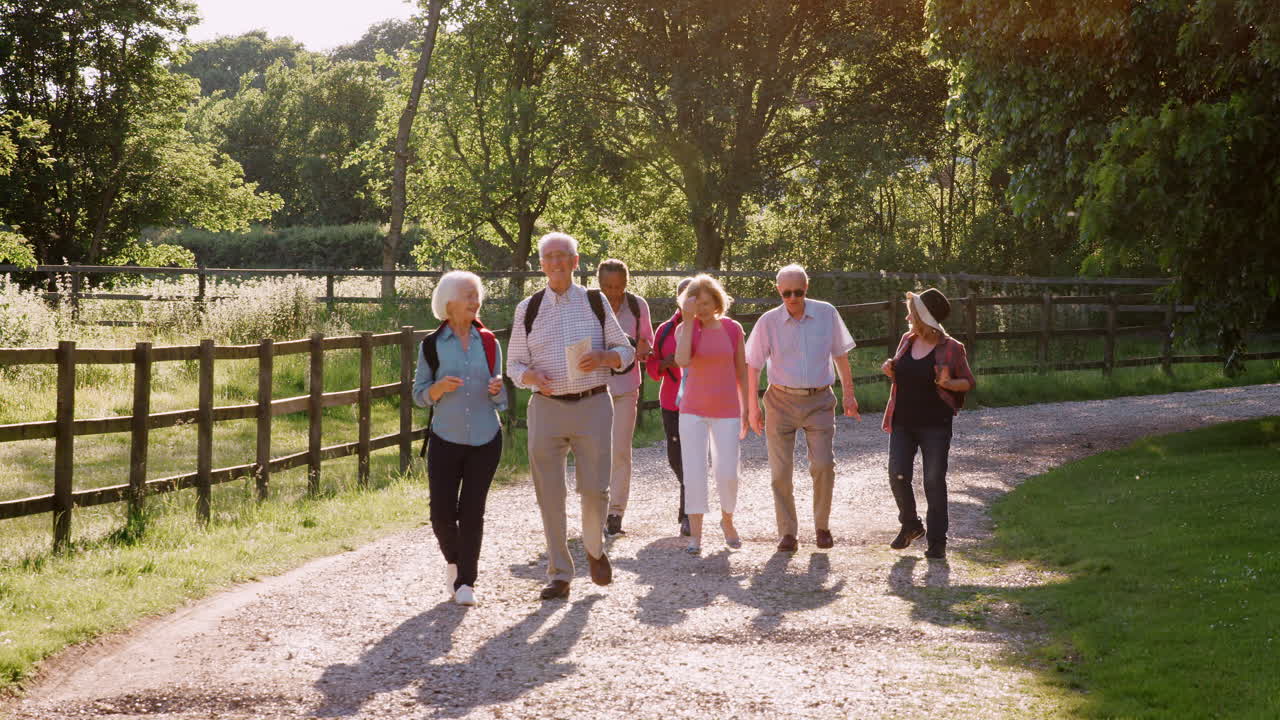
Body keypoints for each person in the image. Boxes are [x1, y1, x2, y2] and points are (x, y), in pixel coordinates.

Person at [507, 232, 636, 600]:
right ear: (541, 264)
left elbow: (624, 351)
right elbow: (514, 364)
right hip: (546, 408)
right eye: (549, 257)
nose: (556, 263)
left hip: (593, 404)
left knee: (595, 490)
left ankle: (595, 549)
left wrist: (605, 358)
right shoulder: (527, 309)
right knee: (549, 493)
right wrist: (530, 377)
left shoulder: (595, 302)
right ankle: (560, 573)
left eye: (563, 256)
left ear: (575, 262)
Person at [746, 264, 860, 552]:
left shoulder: (826, 313)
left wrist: (849, 396)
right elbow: (753, 366)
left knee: (823, 465)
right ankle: (787, 533)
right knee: (780, 472)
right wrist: (752, 407)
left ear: (806, 289)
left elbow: (841, 357)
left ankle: (822, 527)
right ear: (778, 291)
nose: (793, 298)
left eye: (798, 292)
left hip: (819, 399)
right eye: (786, 293)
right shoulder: (768, 321)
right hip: (780, 400)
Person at [412, 271, 507, 607]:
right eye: (468, 295)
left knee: (472, 511)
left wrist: (498, 390)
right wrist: (437, 389)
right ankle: (454, 562)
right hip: (445, 438)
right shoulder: (431, 345)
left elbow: (503, 397)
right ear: (449, 302)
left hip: (486, 437)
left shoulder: (490, 342)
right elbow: (419, 394)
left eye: (476, 295)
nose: (474, 301)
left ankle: (467, 581)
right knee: (440, 513)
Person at [880, 287, 976, 560]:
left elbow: (968, 382)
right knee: (897, 474)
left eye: (913, 311)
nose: (908, 316)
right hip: (902, 421)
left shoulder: (952, 349)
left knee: (933, 481)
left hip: (936, 424)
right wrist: (890, 367)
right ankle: (910, 525)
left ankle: (937, 542)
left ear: (925, 316)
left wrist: (948, 383)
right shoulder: (906, 341)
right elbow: (900, 371)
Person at [673, 274, 749, 555]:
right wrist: (689, 320)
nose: (702, 308)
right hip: (692, 410)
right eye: (696, 303)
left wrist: (749, 406)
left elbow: (742, 370)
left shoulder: (733, 329)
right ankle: (696, 534)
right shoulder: (685, 329)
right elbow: (681, 360)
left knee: (728, 471)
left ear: (716, 301)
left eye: (706, 302)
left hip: (727, 409)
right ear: (688, 304)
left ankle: (727, 520)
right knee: (694, 472)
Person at [597, 259, 654, 536]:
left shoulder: (637, 306)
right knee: (595, 451)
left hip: (626, 386)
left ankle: (615, 512)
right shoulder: (590, 305)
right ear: (599, 284)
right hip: (594, 387)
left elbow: (647, 340)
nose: (613, 292)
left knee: (620, 449)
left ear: (626, 283)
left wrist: (643, 347)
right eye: (608, 286)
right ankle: (595, 507)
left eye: (618, 286)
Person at [646, 277, 694, 537]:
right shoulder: (664, 330)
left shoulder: (706, 326)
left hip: (700, 401)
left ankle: (688, 514)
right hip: (671, 401)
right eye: (685, 295)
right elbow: (652, 369)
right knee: (675, 458)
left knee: (691, 458)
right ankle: (692, 493)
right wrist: (665, 363)